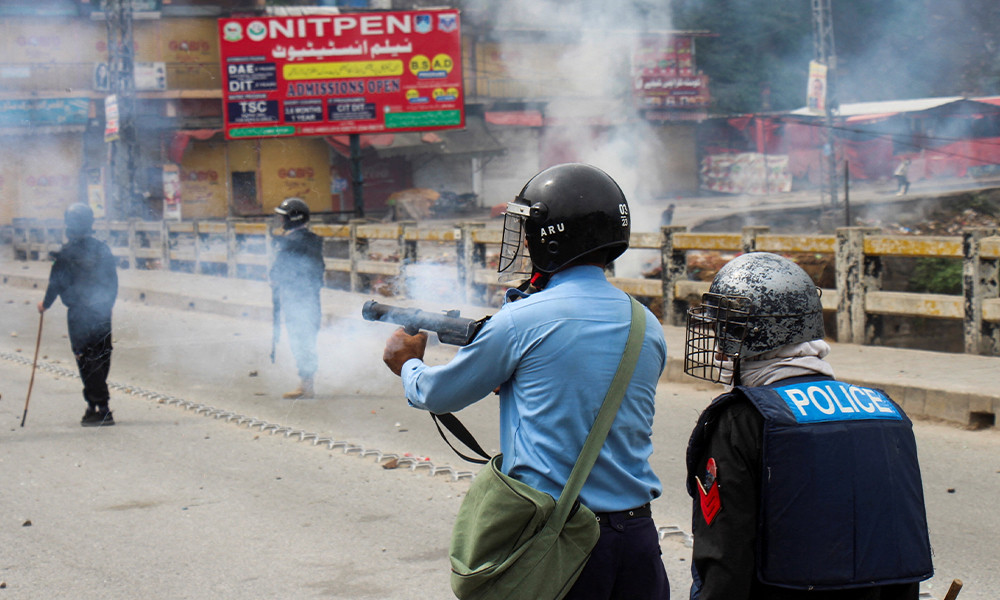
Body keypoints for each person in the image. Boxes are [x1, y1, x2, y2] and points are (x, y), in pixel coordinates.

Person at [381, 163, 670, 599]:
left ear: (550, 238)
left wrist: (407, 364)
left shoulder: (521, 320)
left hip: (563, 538)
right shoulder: (646, 323)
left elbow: (437, 393)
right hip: (638, 538)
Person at [682, 252, 933, 600]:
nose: (720, 353)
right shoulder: (886, 411)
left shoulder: (743, 419)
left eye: (729, 335)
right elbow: (900, 554)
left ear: (757, 338)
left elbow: (726, 560)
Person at [38, 203, 119, 426]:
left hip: (79, 313)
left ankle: (101, 407)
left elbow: (55, 282)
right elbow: (113, 282)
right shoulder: (102, 249)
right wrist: (108, 304)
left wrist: (45, 304)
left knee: (85, 357)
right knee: (101, 355)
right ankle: (94, 406)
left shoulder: (65, 253)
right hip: (102, 311)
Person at [269, 197, 324, 399]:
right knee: (304, 340)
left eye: (283, 217)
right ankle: (306, 383)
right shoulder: (310, 240)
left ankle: (306, 386)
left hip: (298, 299)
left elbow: (281, 271)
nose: (281, 221)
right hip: (309, 299)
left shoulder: (292, 243)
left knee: (301, 341)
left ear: (293, 218)